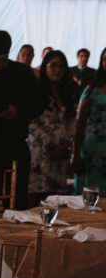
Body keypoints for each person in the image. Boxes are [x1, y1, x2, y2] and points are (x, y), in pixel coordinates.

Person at [0, 28, 43, 208]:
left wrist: (18, 112)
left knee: (16, 202)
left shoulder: (22, 73)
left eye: (2, 60)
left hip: (14, 143)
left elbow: (40, 103)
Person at [27, 50, 77, 202]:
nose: (57, 70)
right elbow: (31, 122)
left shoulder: (69, 94)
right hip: (41, 155)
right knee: (37, 203)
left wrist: (66, 144)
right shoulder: (35, 91)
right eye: (53, 65)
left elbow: (73, 122)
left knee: (58, 203)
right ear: (45, 67)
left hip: (61, 157)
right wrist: (49, 144)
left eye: (61, 66)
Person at [73, 46, 106, 192]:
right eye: (105, 59)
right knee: (89, 194)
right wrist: (75, 154)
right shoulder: (91, 89)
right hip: (92, 150)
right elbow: (80, 124)